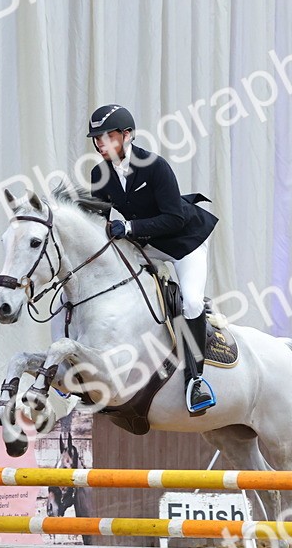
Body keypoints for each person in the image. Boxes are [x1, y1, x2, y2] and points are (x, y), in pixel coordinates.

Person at [86, 104, 219, 414]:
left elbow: (173, 219)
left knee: (193, 301)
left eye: (108, 137)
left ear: (128, 135)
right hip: (145, 243)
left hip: (184, 242)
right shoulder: (99, 174)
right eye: (97, 139)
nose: (101, 145)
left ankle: (196, 380)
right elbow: (98, 220)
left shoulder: (155, 167)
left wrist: (129, 226)